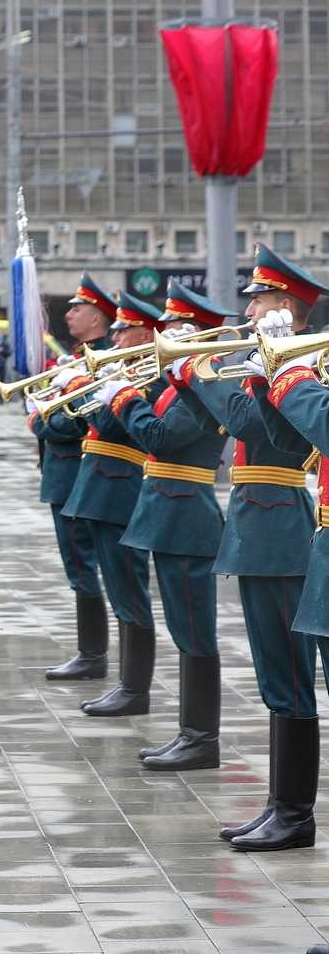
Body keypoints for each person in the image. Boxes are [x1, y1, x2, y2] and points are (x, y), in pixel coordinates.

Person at [195, 244, 325, 852]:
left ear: (287, 308)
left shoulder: (310, 362)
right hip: (267, 526)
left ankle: (293, 811)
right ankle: (285, 805)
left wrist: (272, 369)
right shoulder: (283, 359)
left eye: (261, 300)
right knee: (278, 675)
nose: (249, 310)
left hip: (282, 525)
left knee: (292, 678)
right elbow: (274, 424)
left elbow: (276, 433)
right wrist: (259, 367)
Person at [85, 280, 232, 770]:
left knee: (195, 631)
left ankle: (201, 739)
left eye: (176, 329)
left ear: (201, 335)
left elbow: (161, 439)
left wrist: (126, 398)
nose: (165, 335)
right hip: (168, 511)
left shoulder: (207, 387)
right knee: (183, 628)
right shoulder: (180, 386)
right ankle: (190, 733)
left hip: (187, 515)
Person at [51, 292, 165, 717]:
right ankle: (126, 683)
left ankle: (135, 690)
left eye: (123, 331)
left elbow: (110, 424)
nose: (115, 340)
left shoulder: (149, 378)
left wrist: (85, 389)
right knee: (120, 592)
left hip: (122, 490)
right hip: (102, 488)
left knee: (130, 592)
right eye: (114, 331)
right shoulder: (127, 373)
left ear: (142, 333)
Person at [33, 276, 114, 682]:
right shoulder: (78, 358)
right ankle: (89, 652)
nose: (68, 314)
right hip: (64, 475)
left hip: (79, 473)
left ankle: (93, 655)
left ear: (97, 317)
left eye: (76, 309)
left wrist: (41, 421)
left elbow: (80, 421)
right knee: (76, 564)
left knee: (83, 562)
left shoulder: (102, 360)